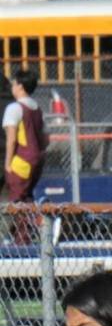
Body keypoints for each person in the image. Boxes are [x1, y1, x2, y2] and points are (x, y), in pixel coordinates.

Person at [2, 69, 49, 242]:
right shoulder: (37, 108)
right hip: (37, 161)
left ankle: (42, 225)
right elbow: (46, 138)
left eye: (14, 84)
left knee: (16, 200)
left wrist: (8, 164)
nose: (12, 87)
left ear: (20, 86)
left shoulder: (15, 108)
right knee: (26, 197)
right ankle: (25, 238)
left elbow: (11, 140)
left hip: (21, 161)